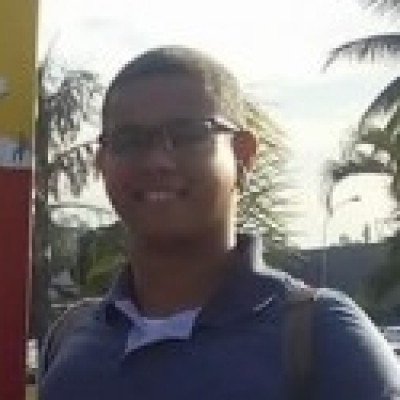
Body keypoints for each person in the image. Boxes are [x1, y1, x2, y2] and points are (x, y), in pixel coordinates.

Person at [39, 46, 400, 400]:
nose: (157, 161)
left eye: (187, 135)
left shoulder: (325, 340)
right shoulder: (71, 343)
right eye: (130, 140)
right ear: (101, 162)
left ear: (243, 154)